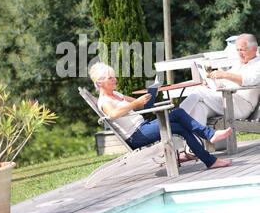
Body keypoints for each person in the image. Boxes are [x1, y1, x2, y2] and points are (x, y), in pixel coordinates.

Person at [89, 62, 232, 169]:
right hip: (136, 135)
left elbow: (142, 105)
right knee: (178, 113)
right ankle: (210, 135)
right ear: (100, 82)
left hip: (143, 128)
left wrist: (151, 96)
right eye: (110, 78)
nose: (114, 79)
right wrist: (134, 104)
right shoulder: (105, 101)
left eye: (114, 76)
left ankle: (210, 160)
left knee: (182, 127)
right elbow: (113, 114)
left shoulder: (117, 95)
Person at [180, 33, 260, 125]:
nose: (239, 54)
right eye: (237, 50)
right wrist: (212, 82)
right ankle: (196, 139)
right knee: (200, 107)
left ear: (253, 49)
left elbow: (249, 80)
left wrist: (224, 74)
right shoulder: (239, 64)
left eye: (242, 50)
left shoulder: (258, 64)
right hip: (227, 100)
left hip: (241, 106)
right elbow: (225, 81)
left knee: (198, 91)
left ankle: (175, 117)